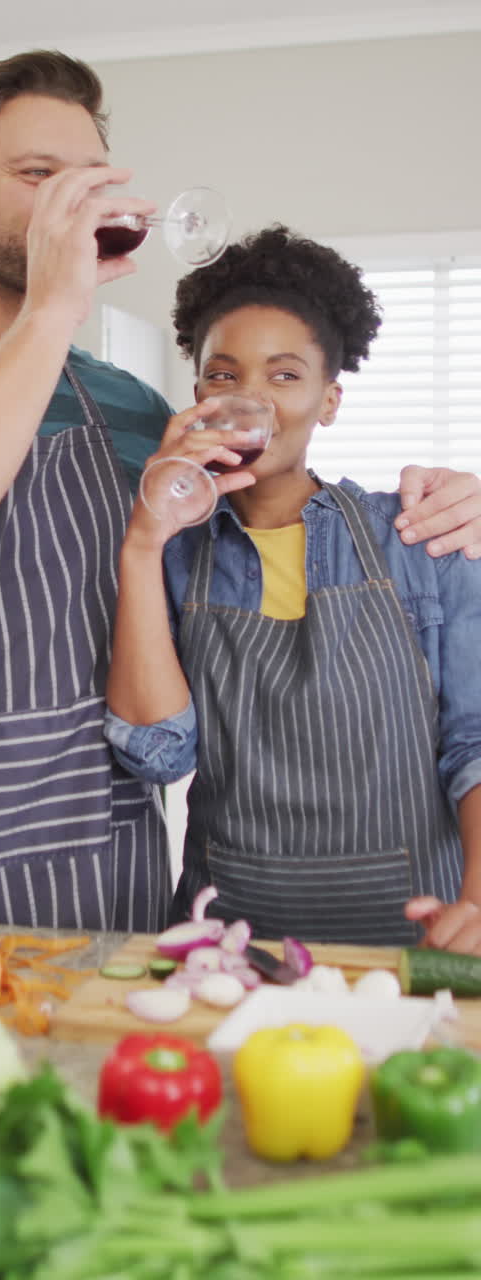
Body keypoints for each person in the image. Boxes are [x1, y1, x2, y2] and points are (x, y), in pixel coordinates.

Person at [0, 54, 481, 932]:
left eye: (84, 183)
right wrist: (52, 307)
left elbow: (272, 527)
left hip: (110, 872)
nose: (68, 208)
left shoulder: (128, 408)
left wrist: (456, 503)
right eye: (37, 176)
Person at [105, 225, 481, 953]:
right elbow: (156, 754)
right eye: (224, 375)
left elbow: (475, 743)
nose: (252, 400)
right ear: (197, 397)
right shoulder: (176, 555)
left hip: (415, 942)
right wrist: (143, 539)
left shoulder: (417, 539)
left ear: (329, 400)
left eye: (284, 376)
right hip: (230, 950)